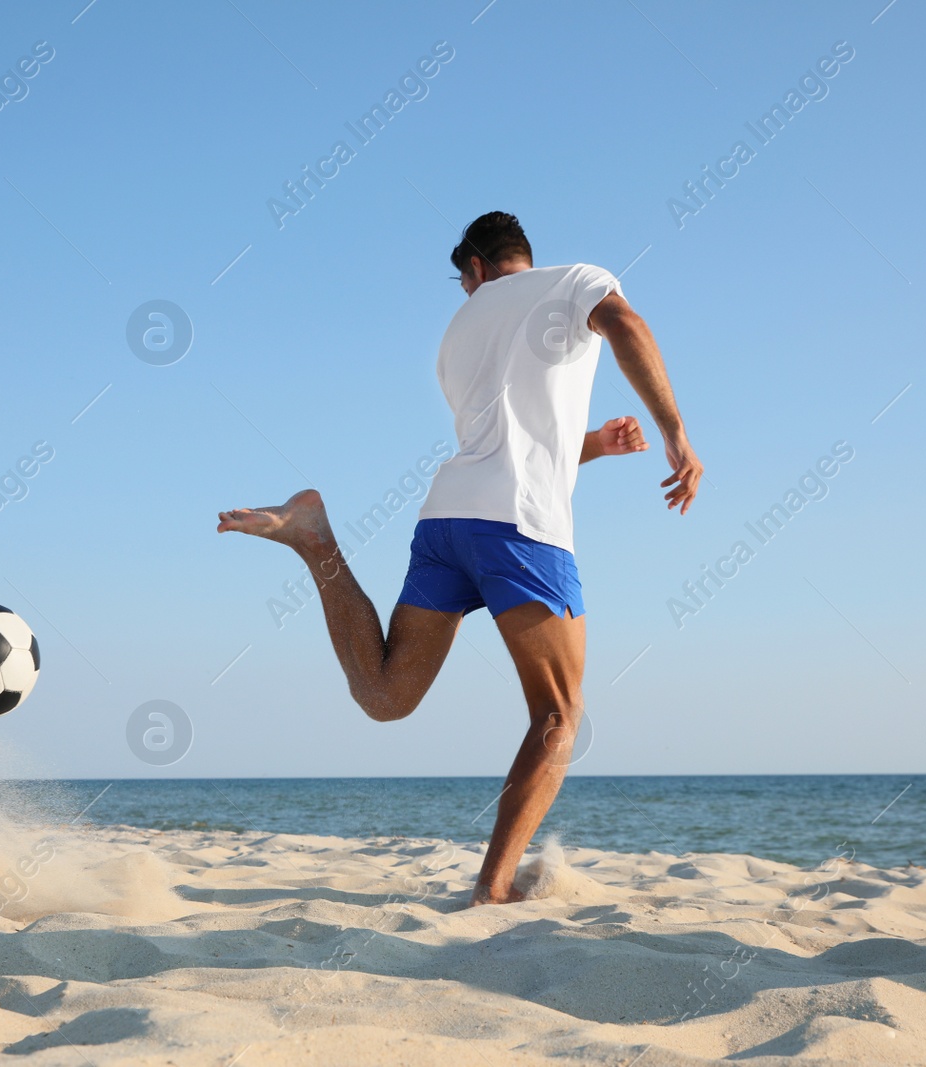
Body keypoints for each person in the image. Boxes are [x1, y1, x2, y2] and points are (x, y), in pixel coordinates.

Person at [217, 211, 702, 906]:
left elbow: (513, 439)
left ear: (473, 269)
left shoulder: (456, 335)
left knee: (385, 695)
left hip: (448, 519)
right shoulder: (575, 280)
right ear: (513, 260)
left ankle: (316, 539)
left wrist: (592, 443)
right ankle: (492, 888)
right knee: (560, 716)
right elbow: (626, 325)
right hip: (521, 526)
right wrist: (674, 432)